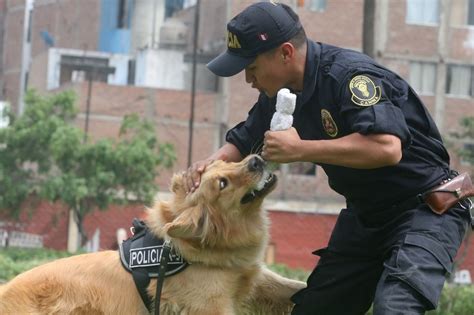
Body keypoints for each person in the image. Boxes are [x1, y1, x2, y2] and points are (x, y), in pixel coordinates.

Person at [184, 2, 473, 314]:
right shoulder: (279, 94)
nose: (248, 80)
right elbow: (244, 139)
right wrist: (209, 165)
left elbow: (387, 148)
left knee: (395, 307)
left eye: (251, 68)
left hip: (425, 211)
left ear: (285, 53)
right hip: (367, 217)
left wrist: (301, 149)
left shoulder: (349, 77)